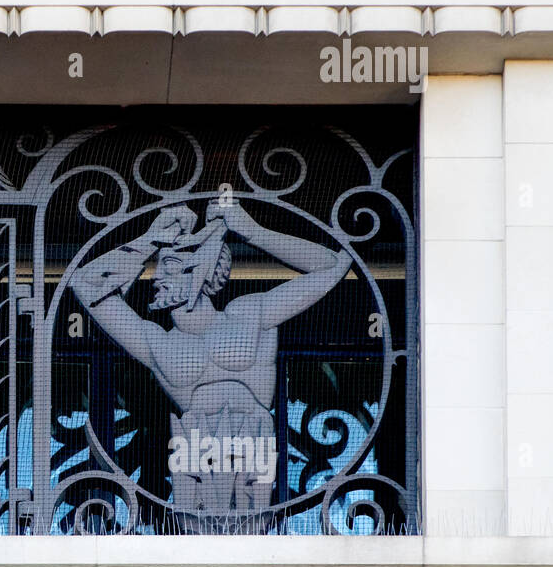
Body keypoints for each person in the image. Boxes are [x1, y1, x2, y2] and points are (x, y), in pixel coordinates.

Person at [69, 200, 352, 528]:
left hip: (253, 445)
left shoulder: (247, 314)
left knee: (253, 539)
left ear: (203, 271)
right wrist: (151, 238)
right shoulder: (158, 340)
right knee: (196, 539)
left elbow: (332, 266)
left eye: (171, 266)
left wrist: (252, 232)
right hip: (192, 455)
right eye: (158, 266)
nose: (157, 276)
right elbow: (86, 284)